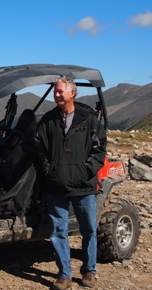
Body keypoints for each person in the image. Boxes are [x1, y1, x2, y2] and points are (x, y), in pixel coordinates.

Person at [35, 76, 107, 290]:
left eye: (60, 92)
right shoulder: (48, 120)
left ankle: (89, 270)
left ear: (72, 93)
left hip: (83, 186)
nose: (57, 95)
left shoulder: (88, 119)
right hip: (56, 185)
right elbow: (40, 150)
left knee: (88, 230)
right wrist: (48, 172)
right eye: (55, 92)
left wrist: (87, 171)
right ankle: (64, 274)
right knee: (59, 231)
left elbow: (100, 148)